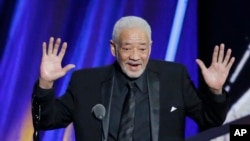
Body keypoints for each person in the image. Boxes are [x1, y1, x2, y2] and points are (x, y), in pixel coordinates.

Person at [32, 16, 235, 141]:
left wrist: (215, 91)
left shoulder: (174, 77)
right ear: (114, 48)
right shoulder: (85, 83)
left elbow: (211, 119)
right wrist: (46, 83)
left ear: (151, 47)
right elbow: (45, 120)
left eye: (142, 48)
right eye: (127, 48)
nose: (135, 56)